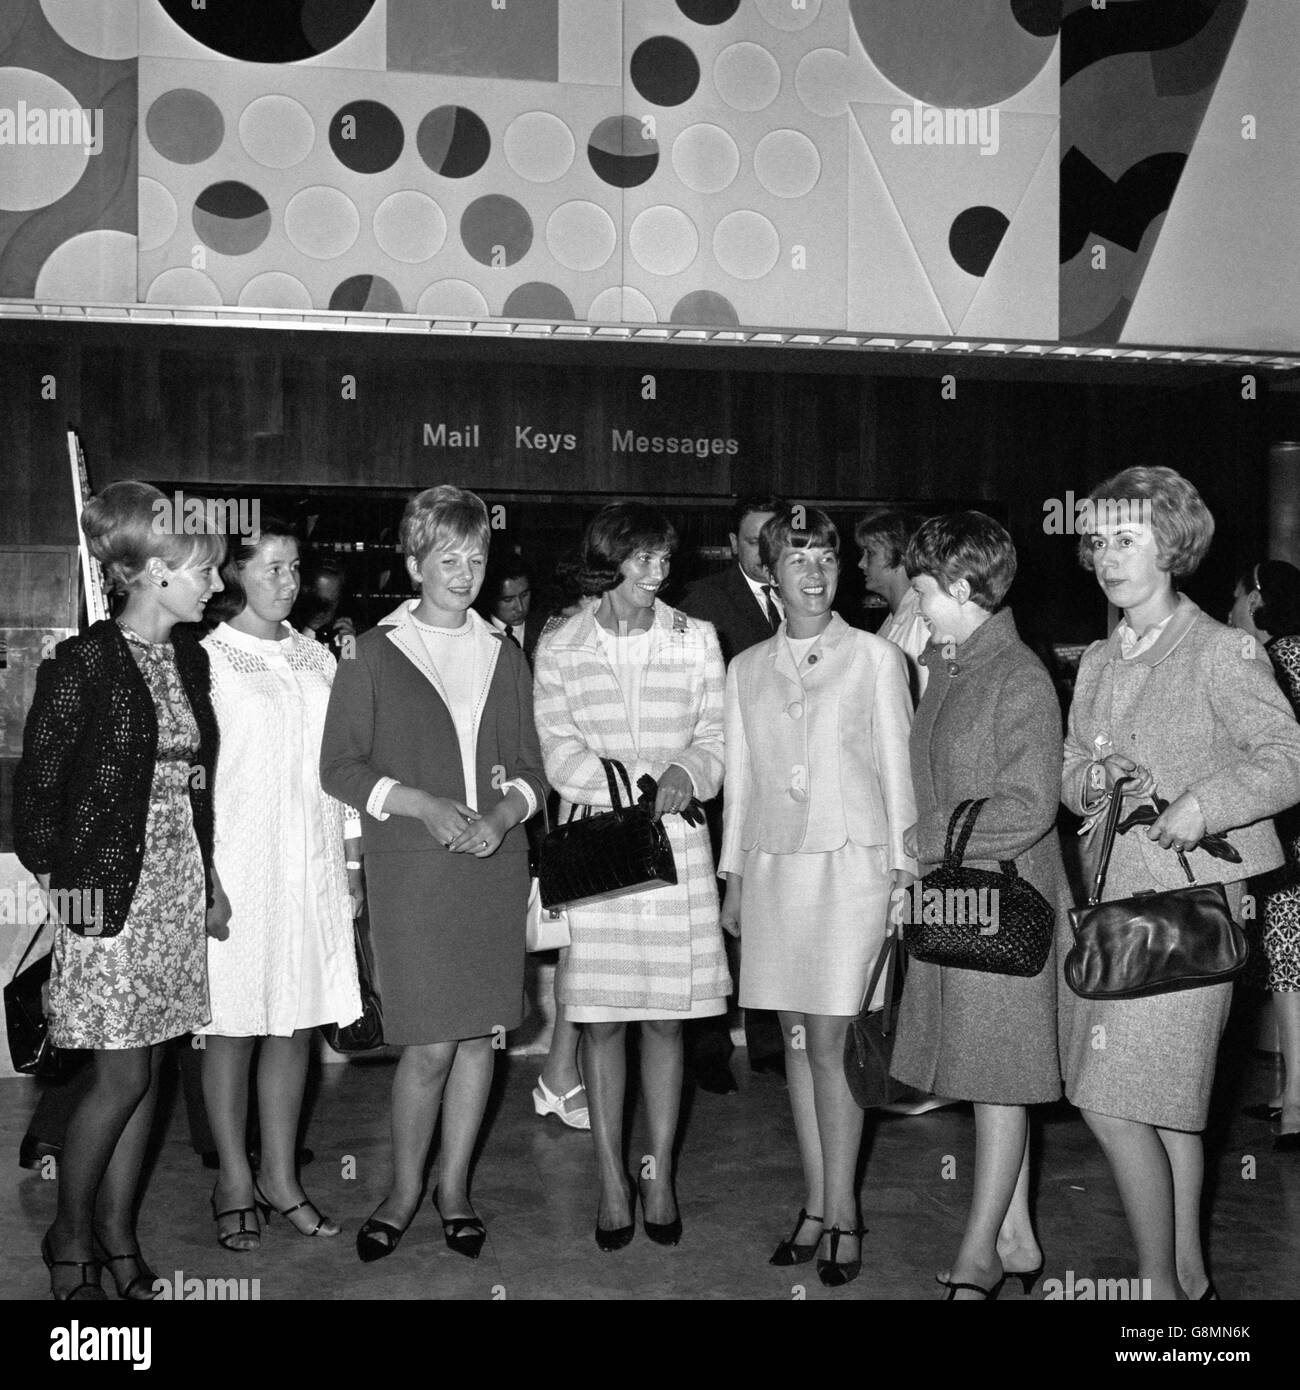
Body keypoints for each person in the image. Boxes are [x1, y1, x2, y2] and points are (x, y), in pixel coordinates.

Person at [1061, 467, 1300, 1299]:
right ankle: (1192, 1286)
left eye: (1125, 538)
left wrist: (1204, 803)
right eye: (1097, 540)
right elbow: (1068, 770)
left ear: (1171, 544)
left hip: (1193, 910)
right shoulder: (1095, 658)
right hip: (1118, 908)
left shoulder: (1220, 650)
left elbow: (1287, 757)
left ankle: (1156, 1289)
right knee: (1161, 1108)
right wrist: (1092, 785)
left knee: (1111, 1103)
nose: (1105, 556)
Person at [320, 485, 544, 1263]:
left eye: (476, 556)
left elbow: (530, 772)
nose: (464, 570)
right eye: (447, 556)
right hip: (413, 873)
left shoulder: (504, 651)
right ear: (415, 561)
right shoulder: (371, 651)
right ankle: (402, 1190)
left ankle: (455, 1189)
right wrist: (418, 802)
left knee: (482, 1039)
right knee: (427, 1047)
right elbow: (339, 768)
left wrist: (502, 816)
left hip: (491, 866)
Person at [15, 481, 226, 1300]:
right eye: (200, 569)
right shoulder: (83, 663)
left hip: (173, 889)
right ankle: (69, 1236)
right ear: (148, 573)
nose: (214, 582)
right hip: (105, 898)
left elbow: (191, 788)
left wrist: (207, 878)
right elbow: (35, 802)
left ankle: (116, 1234)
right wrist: (71, 906)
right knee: (121, 1077)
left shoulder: (190, 658)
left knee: (152, 1072)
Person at [719, 506, 916, 1286]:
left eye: (827, 558)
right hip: (774, 870)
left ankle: (843, 1211)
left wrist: (907, 873)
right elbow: (738, 784)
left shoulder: (875, 659)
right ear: (770, 572)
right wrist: (733, 879)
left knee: (834, 1042)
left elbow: (900, 770)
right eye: (796, 559)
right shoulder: (744, 669)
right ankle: (816, 1200)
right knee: (798, 1043)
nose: (814, 572)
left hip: (852, 869)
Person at [533, 502, 729, 1250]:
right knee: (602, 1019)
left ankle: (661, 1174)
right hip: (602, 852)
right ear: (609, 559)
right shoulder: (560, 643)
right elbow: (558, 748)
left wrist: (687, 769)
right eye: (644, 557)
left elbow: (714, 736)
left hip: (676, 851)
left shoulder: (696, 638)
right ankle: (612, 1179)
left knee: (664, 1019)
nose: (659, 570)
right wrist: (643, 789)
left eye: (664, 556)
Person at [888, 512, 1069, 1299]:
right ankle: (1019, 1238)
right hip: (962, 894)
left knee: (998, 1080)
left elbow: (1031, 803)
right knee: (986, 1073)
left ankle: (979, 1258)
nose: (916, 602)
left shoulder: (1017, 675)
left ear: (964, 589)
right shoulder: (952, 662)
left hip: (1006, 896)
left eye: (925, 590)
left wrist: (924, 841)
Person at [199, 519, 363, 1251]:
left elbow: (344, 770)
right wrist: (204, 877)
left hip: (314, 865)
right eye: (270, 567)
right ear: (235, 572)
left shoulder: (316, 656)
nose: (286, 582)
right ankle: (232, 1176)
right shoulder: (206, 657)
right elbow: (192, 785)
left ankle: (279, 1177)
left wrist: (353, 865)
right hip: (239, 868)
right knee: (232, 1028)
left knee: (294, 1023)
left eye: (294, 568)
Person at [679, 495, 789, 1090]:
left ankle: (770, 1041)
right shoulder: (704, 601)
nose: (767, 552)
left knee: (770, 915)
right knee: (717, 920)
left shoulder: (805, 591)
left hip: (783, 791)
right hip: (722, 791)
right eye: (754, 542)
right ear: (733, 543)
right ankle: (708, 1052)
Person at [1228, 559, 1300, 1153]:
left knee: (1288, 968)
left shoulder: (1273, 663)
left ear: (1256, 599)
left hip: (1291, 840)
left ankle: (1295, 1102)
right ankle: (1287, 1094)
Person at [478, 552, 544, 659]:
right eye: (508, 600)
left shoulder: (546, 627)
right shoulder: (478, 633)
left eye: (524, 595)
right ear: (490, 598)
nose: (520, 608)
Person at [291, 554, 356, 658]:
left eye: (328, 603)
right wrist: (308, 632)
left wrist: (350, 648)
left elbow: (351, 672)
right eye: (318, 601)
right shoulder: (286, 628)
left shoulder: (346, 631)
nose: (322, 609)